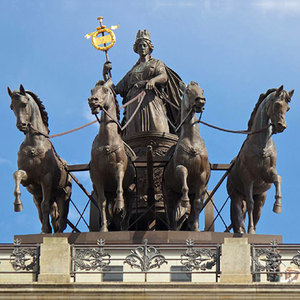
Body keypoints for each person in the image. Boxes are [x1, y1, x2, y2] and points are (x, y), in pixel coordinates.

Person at [103, 29, 184, 137]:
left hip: (151, 99)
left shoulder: (156, 63)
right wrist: (106, 74)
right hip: (133, 102)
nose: (142, 48)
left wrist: (153, 80)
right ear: (136, 49)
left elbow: (164, 76)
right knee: (133, 132)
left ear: (149, 48)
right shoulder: (133, 70)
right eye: (139, 46)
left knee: (157, 127)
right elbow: (116, 89)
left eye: (144, 45)